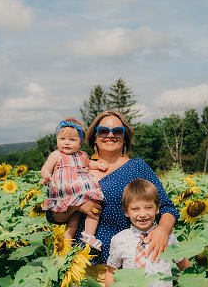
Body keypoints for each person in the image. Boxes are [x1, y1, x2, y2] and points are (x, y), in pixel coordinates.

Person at [71, 110, 180, 286]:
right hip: (79, 264)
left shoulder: (137, 168)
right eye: (104, 131)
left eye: (117, 131)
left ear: (125, 137)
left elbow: (167, 207)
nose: (110, 135)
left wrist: (163, 229)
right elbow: (54, 215)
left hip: (121, 267)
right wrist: (77, 207)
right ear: (94, 137)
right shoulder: (78, 168)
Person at [105, 178, 191, 287]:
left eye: (148, 207)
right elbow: (112, 272)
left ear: (157, 208)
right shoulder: (119, 240)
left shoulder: (168, 238)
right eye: (135, 209)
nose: (142, 214)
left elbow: (184, 265)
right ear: (126, 211)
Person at [41, 117, 107, 251]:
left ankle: (88, 235)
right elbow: (46, 167)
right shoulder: (56, 155)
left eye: (72, 140)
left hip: (82, 191)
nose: (67, 143)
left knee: (90, 210)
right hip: (66, 192)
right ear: (57, 139)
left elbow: (89, 164)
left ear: (80, 142)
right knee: (70, 219)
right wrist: (47, 175)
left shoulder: (82, 155)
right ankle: (66, 247)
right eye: (62, 139)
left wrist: (99, 165)